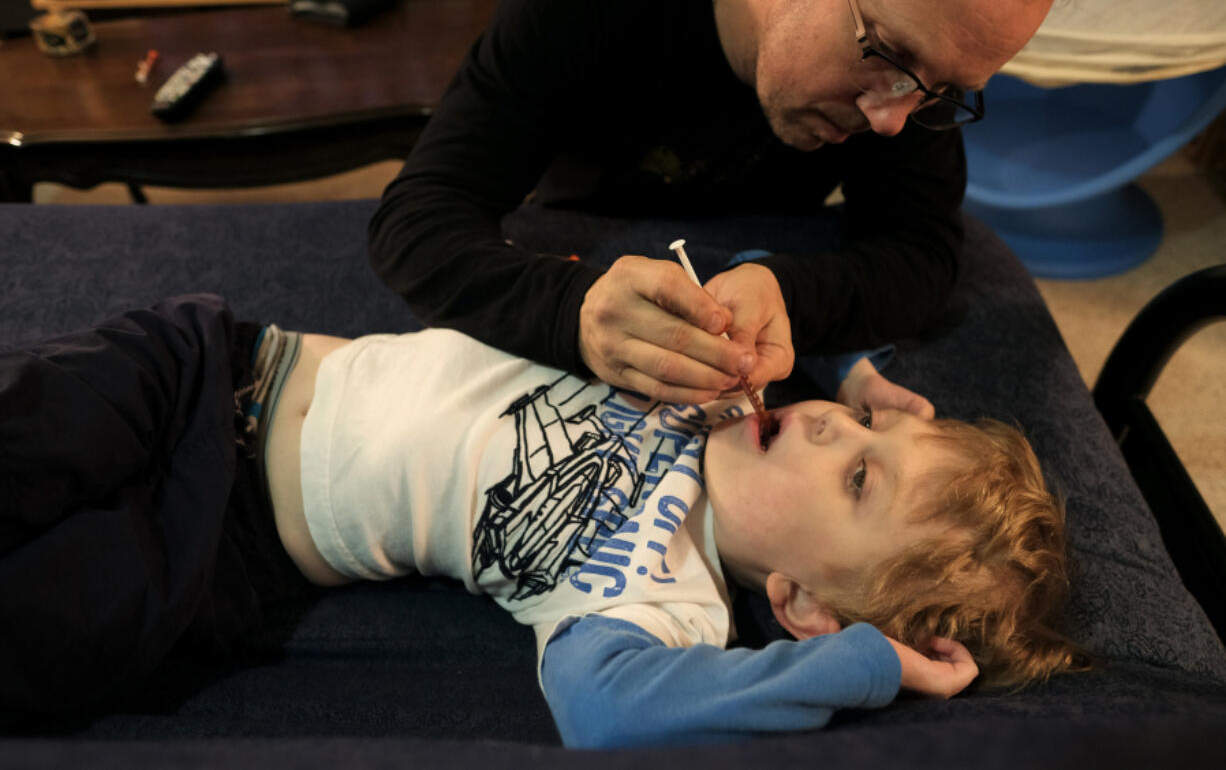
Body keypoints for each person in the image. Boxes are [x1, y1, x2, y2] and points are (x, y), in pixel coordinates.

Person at [1, 295, 1086, 745]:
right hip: (217, 365)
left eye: (857, 481)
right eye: (856, 429)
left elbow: (605, 719)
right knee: (29, 439)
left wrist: (864, 663)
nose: (820, 429)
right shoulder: (716, 386)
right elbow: (761, 299)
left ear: (798, 603)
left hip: (229, 540)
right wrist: (852, 370)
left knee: (58, 628)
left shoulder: (665, 600)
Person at [368, 0, 1085, 409]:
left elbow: (922, 250)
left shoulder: (910, 65)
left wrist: (786, 292)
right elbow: (417, 219)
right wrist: (575, 313)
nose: (895, 121)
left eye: (947, 89)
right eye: (886, 53)